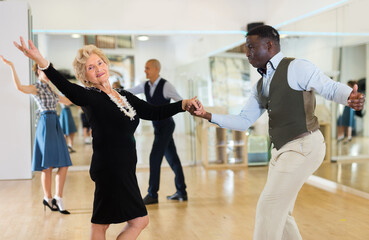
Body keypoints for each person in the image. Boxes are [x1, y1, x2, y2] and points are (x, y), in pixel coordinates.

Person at [188, 25, 365, 240]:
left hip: (304, 146)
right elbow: (244, 121)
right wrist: (208, 115)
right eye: (246, 48)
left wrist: (349, 96)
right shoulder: (261, 84)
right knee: (281, 213)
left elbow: (329, 87)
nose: (247, 53)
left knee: (268, 206)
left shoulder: (296, 67)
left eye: (251, 47)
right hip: (281, 152)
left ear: (269, 45)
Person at [13, 37, 198, 240]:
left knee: (118, 221)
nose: (98, 68)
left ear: (106, 64)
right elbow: (66, 87)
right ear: (86, 76)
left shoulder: (123, 95)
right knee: (112, 222)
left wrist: (182, 105)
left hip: (125, 169)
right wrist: (42, 62)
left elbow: (153, 112)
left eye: (100, 63)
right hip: (110, 169)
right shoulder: (91, 97)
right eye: (91, 67)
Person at [0, 55, 72, 215]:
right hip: (45, 124)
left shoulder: (51, 89)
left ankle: (58, 197)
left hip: (55, 123)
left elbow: (66, 100)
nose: (48, 72)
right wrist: (12, 65)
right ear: (38, 71)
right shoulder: (36, 87)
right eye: (45, 69)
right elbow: (19, 87)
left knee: (64, 164)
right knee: (48, 166)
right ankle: (47, 198)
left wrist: (85, 94)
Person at [127, 59, 187, 205]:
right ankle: (182, 192)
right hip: (158, 128)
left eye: (147, 68)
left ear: (155, 69)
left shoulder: (166, 86)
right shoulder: (145, 85)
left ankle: (152, 194)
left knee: (154, 157)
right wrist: (110, 92)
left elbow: (181, 102)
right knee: (173, 159)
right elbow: (129, 92)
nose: (145, 71)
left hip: (166, 126)